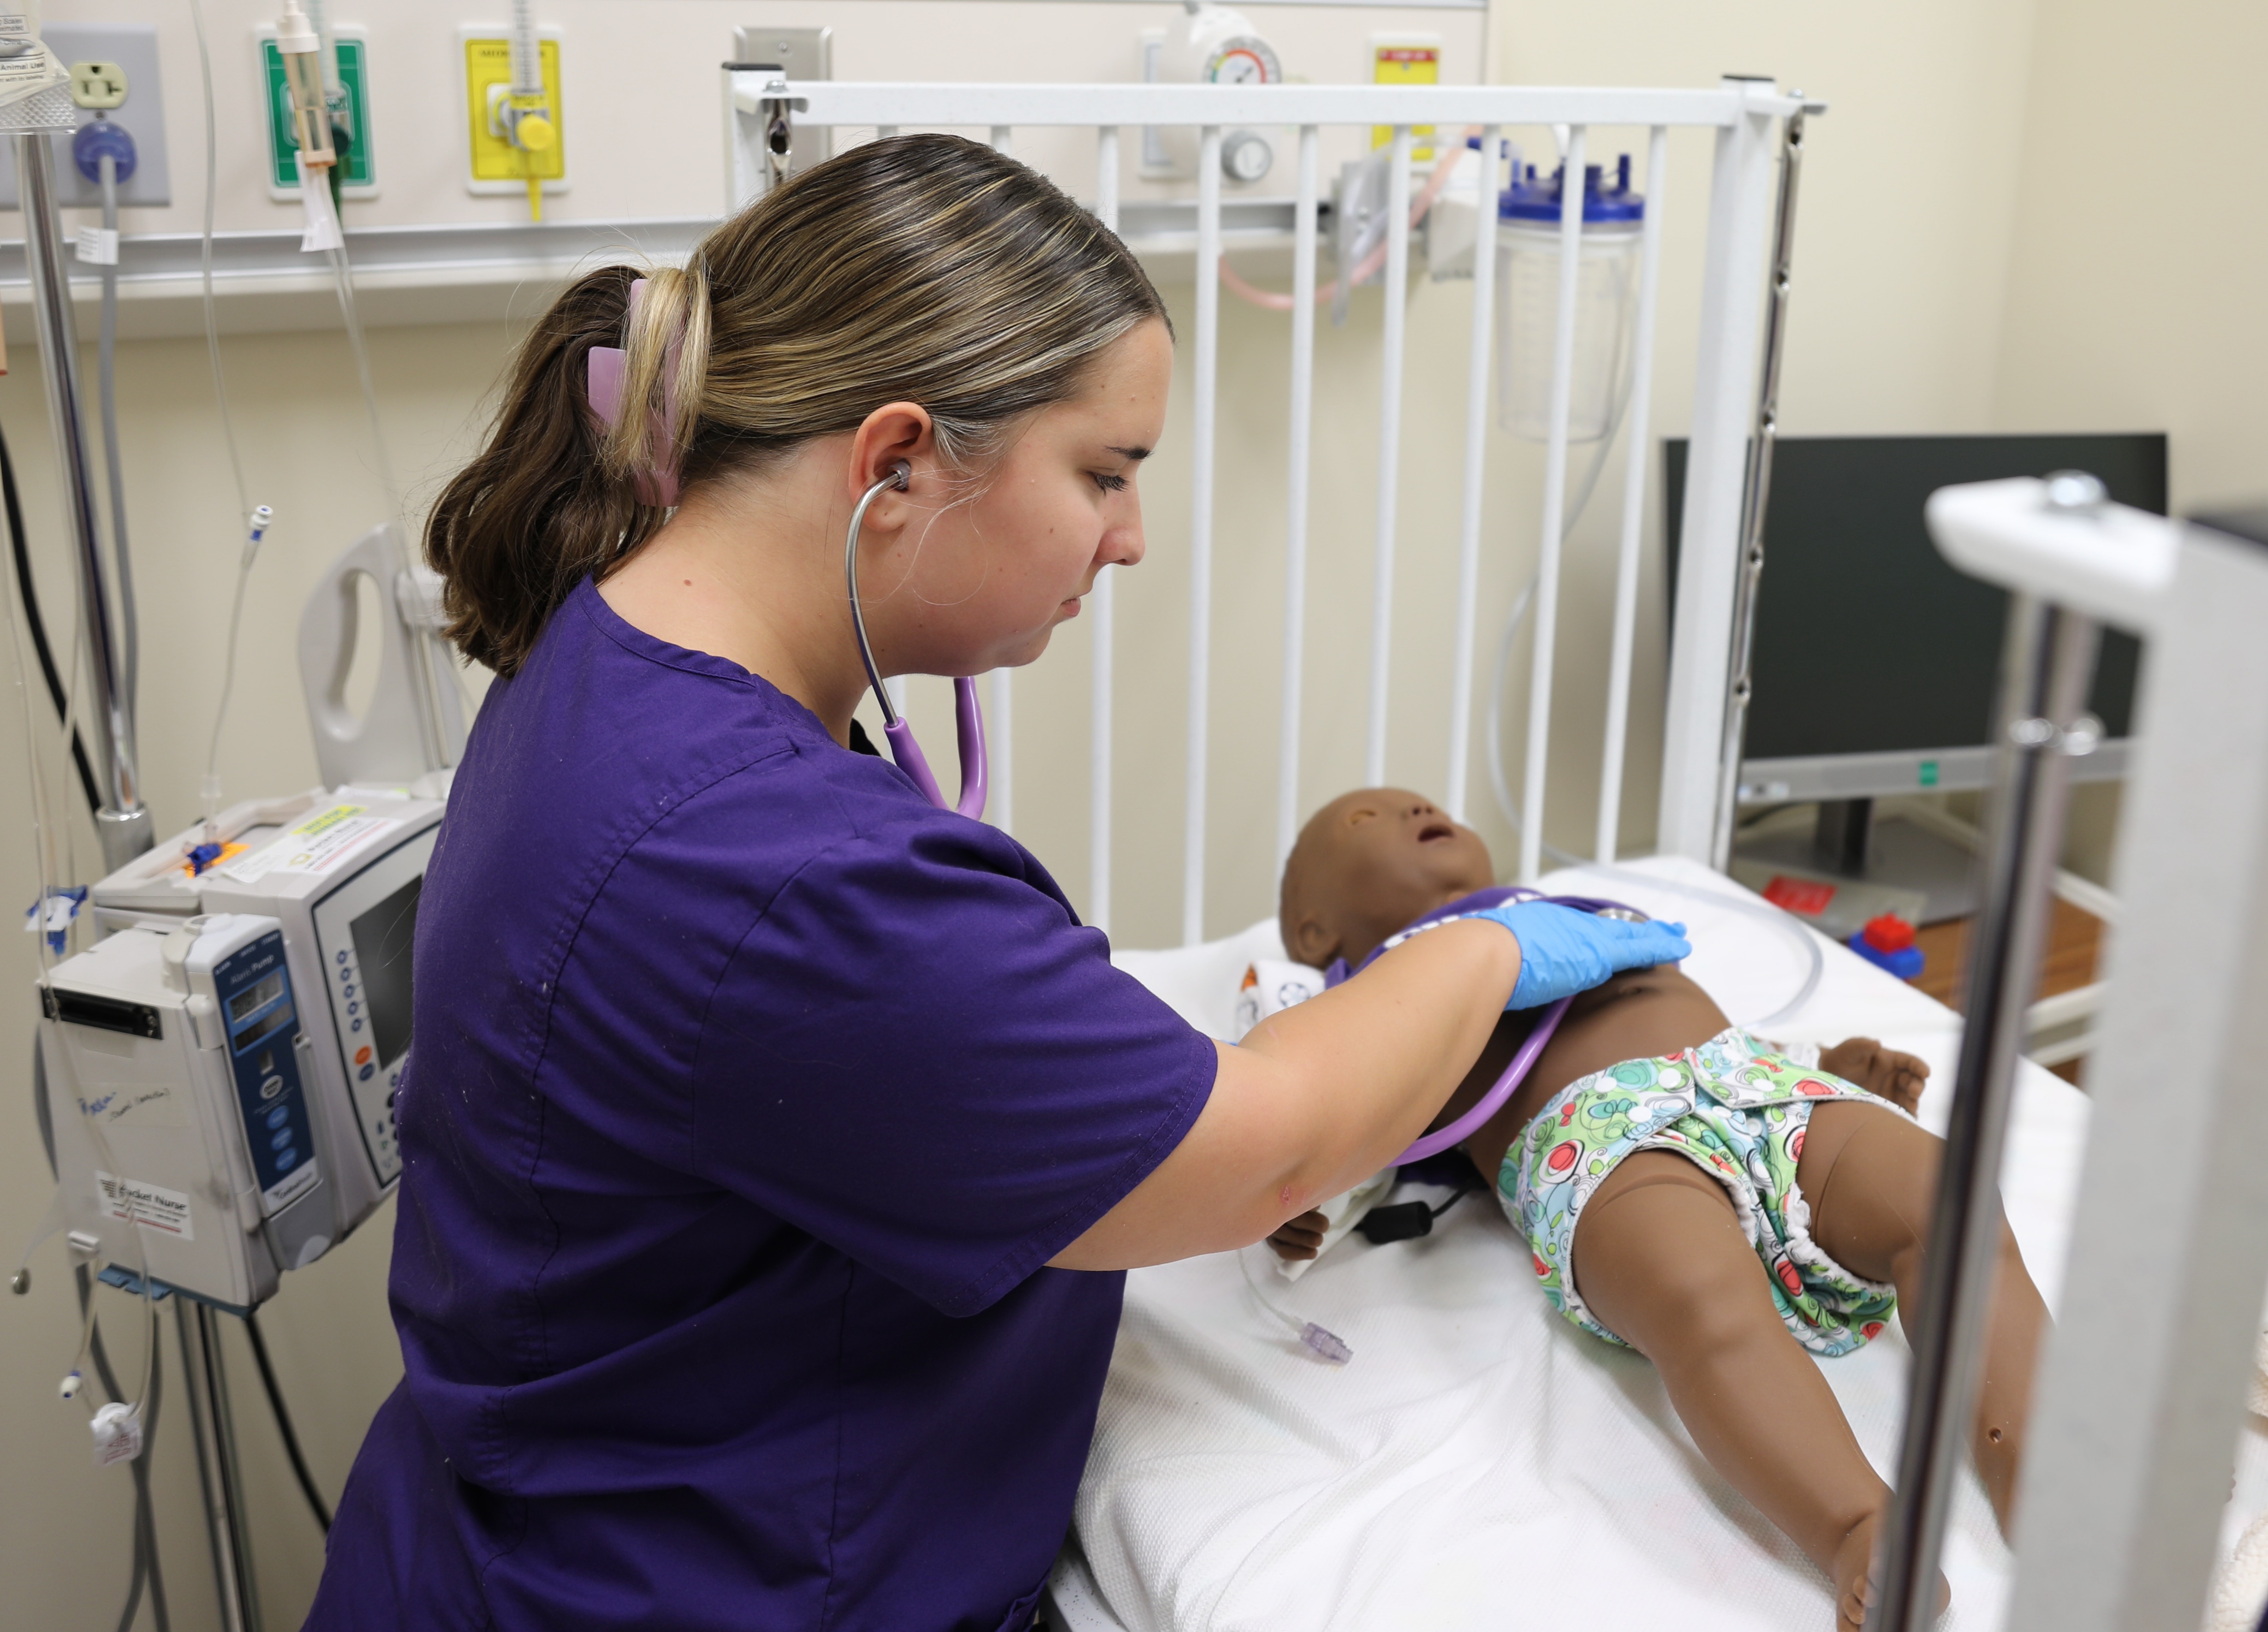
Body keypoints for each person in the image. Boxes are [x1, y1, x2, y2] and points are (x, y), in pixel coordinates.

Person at [303, 136, 1692, 1632]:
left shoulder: (608, 652)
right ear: (895, 461)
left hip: (518, 1521)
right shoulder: (777, 871)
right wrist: (1484, 947)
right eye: (1102, 472)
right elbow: (1269, 1155)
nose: (1130, 539)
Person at [1267, 788, 2049, 1632]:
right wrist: (1299, 1189)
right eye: (1367, 817)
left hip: (1752, 1084)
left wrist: (1829, 1062)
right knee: (1696, 1294)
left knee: (1947, 1198)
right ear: (1316, 930)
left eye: (1416, 800)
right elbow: (1335, 1111)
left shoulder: (1577, 916)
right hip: (1598, 1143)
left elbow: (1691, 1015)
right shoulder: (1374, 994)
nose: (1412, 804)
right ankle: (1859, 1523)